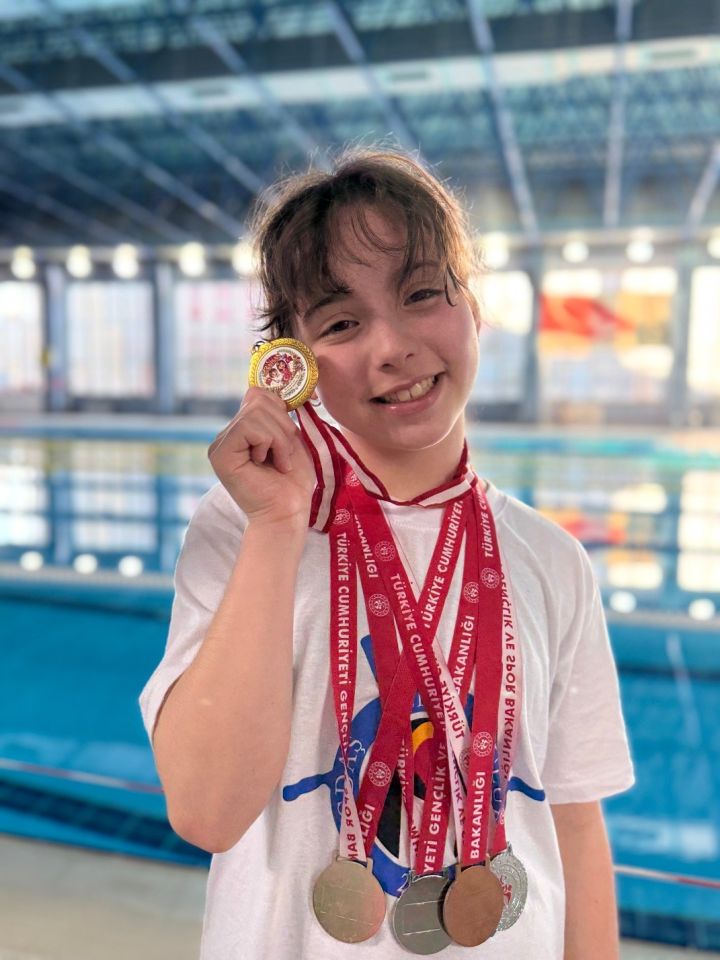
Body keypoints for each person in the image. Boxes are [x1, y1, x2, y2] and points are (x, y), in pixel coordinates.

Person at [138, 148, 635, 959]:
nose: (393, 347)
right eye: (341, 324)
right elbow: (206, 811)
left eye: (421, 294)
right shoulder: (243, 531)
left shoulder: (550, 560)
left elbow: (574, 824)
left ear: (472, 308)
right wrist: (275, 527)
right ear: (292, 367)